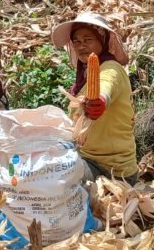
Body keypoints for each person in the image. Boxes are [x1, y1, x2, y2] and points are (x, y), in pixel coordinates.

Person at [52, 12, 138, 185]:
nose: (81, 45)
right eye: (76, 41)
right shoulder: (84, 76)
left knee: (55, 180)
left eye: (88, 39)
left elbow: (106, 86)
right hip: (86, 157)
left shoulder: (111, 69)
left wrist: (99, 101)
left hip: (112, 170)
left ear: (102, 40)